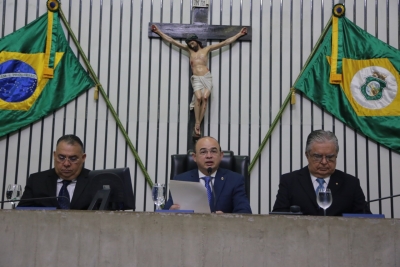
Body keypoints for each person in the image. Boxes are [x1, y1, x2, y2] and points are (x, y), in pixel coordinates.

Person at [151, 25, 247, 138]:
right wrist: (158, 31)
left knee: (205, 98)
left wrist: (239, 34)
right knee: (198, 97)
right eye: (189, 44)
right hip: (196, 78)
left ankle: (198, 124)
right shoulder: (189, 50)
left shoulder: (207, 49)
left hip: (206, 77)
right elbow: (171, 41)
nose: (191, 45)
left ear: (197, 41)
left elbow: (225, 42)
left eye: (192, 43)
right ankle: (197, 122)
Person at [272, 130, 371, 216]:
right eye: (318, 156)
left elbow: (365, 218)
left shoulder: (351, 183)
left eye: (330, 157)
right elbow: (278, 218)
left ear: (336, 155)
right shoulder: (290, 181)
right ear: (307, 155)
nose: (324, 162)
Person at [164, 136, 252, 214]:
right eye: (203, 152)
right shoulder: (181, 180)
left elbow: (245, 213)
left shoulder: (234, 180)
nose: (209, 156)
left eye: (213, 151)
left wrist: (226, 219)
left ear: (221, 156)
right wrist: (170, 212)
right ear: (194, 157)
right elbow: (165, 212)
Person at [18, 134, 92, 210]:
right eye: (61, 158)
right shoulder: (37, 181)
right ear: (54, 155)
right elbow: (21, 213)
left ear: (83, 158)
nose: (66, 164)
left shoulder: (95, 182)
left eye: (73, 158)